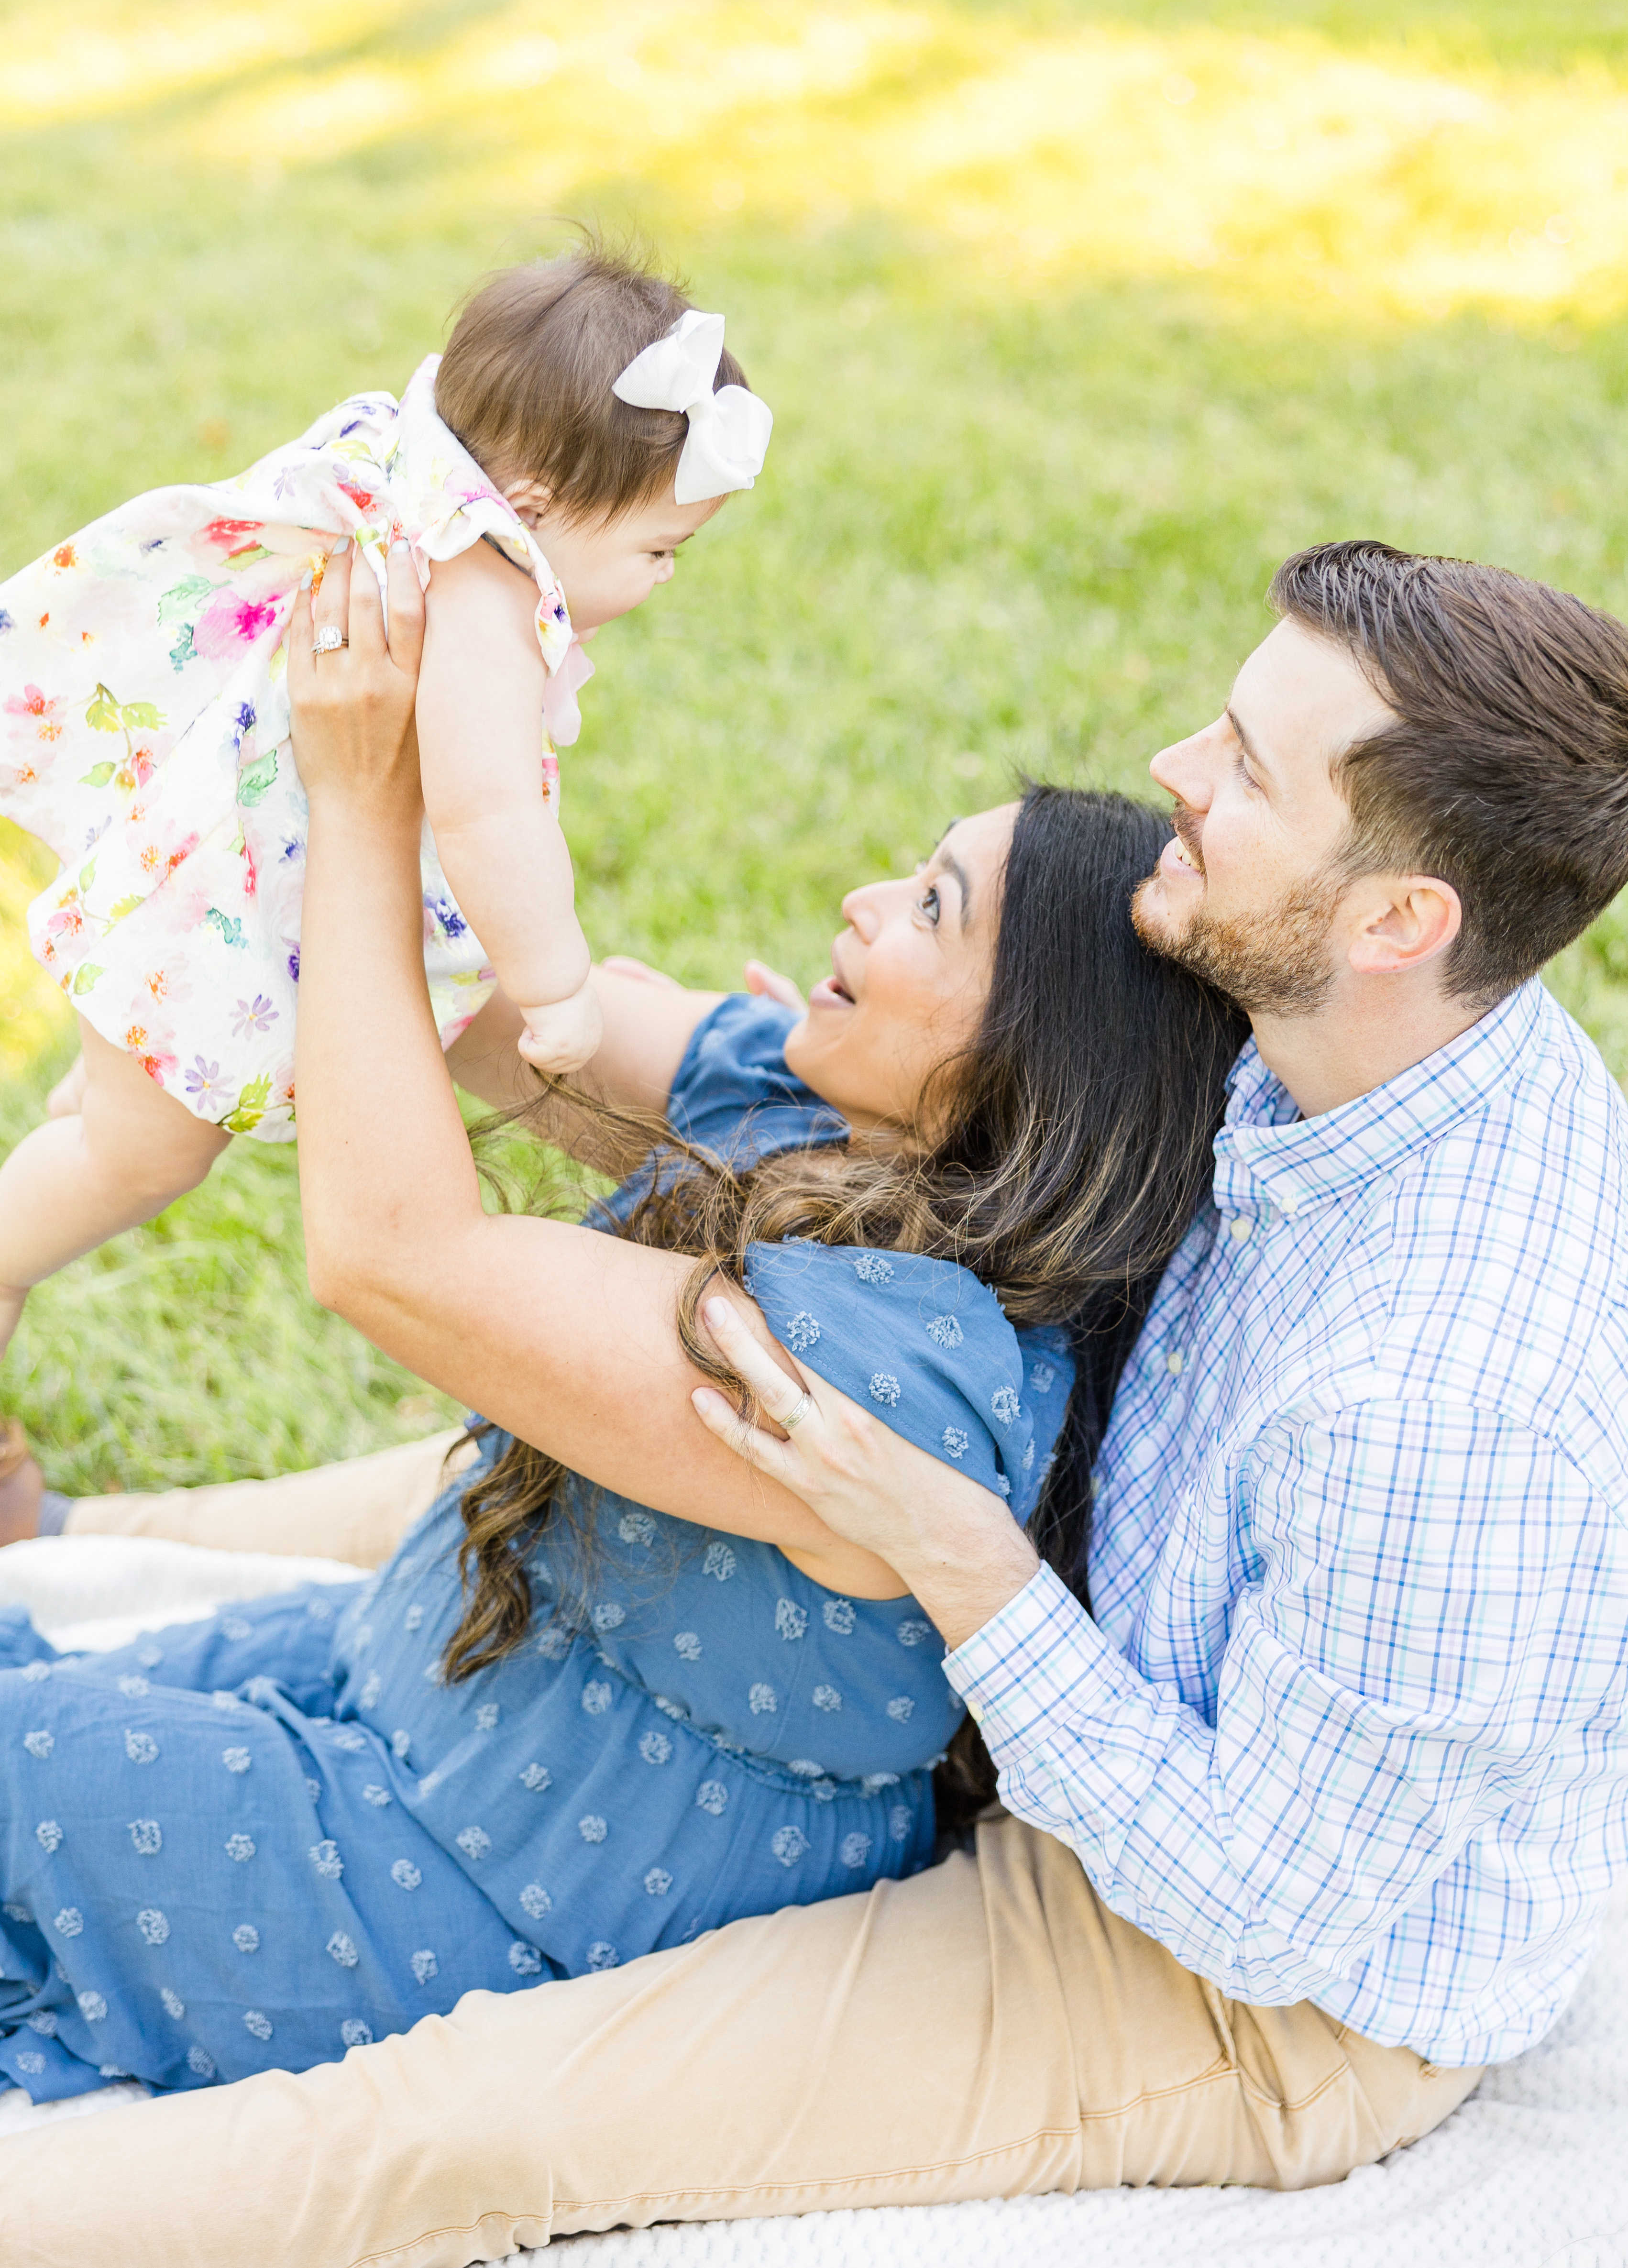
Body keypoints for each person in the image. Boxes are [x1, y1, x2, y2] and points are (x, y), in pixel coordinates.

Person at [5, 538, 1626, 2268]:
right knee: (611, 1433)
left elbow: (1272, 1901)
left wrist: (970, 1569)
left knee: (473, 2115)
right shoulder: (1324, 1015)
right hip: (1007, 1687)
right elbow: (604, 1040)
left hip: (1251, 1983)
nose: (1176, 772)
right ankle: (73, 1535)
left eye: (1241, 766)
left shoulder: (1448, 1390)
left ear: (1401, 918)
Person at [0, 554, 1242, 2100]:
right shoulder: (821, 1116)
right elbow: (479, 1012)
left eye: (932, 907)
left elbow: (394, 1253)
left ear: (1032, 1065)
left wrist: (368, 810)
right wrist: (436, 703)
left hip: (480, 1903)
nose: (865, 899)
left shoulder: (900, 1380)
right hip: (420, 1691)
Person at [0, 236, 771, 1365]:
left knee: (122, 1104)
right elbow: (485, 811)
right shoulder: (481, 601)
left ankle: (84, 1116)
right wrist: (556, 986)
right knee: (146, 1154)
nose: (665, 575)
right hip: (222, 915)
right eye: (662, 548)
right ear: (534, 504)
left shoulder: (418, 468)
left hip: (216, 873)